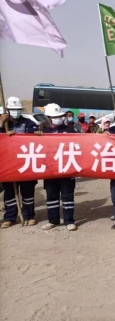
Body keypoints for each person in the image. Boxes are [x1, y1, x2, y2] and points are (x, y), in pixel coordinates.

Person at [38, 103, 78, 231]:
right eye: (55, 117)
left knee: (67, 196)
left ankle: (69, 221)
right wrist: (36, 137)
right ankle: (53, 220)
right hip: (50, 169)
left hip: (66, 169)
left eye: (60, 116)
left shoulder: (70, 130)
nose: (58, 119)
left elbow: (80, 145)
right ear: (49, 118)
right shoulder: (44, 132)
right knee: (51, 196)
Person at [0, 97, 39, 228]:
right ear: (7, 110)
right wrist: (2, 125)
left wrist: (16, 136)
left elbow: (34, 136)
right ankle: (10, 217)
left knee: (28, 192)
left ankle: (29, 216)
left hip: (25, 163)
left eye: (17, 109)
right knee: (10, 193)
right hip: (9, 164)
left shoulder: (28, 123)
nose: (15, 111)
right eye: (12, 109)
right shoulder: (4, 123)